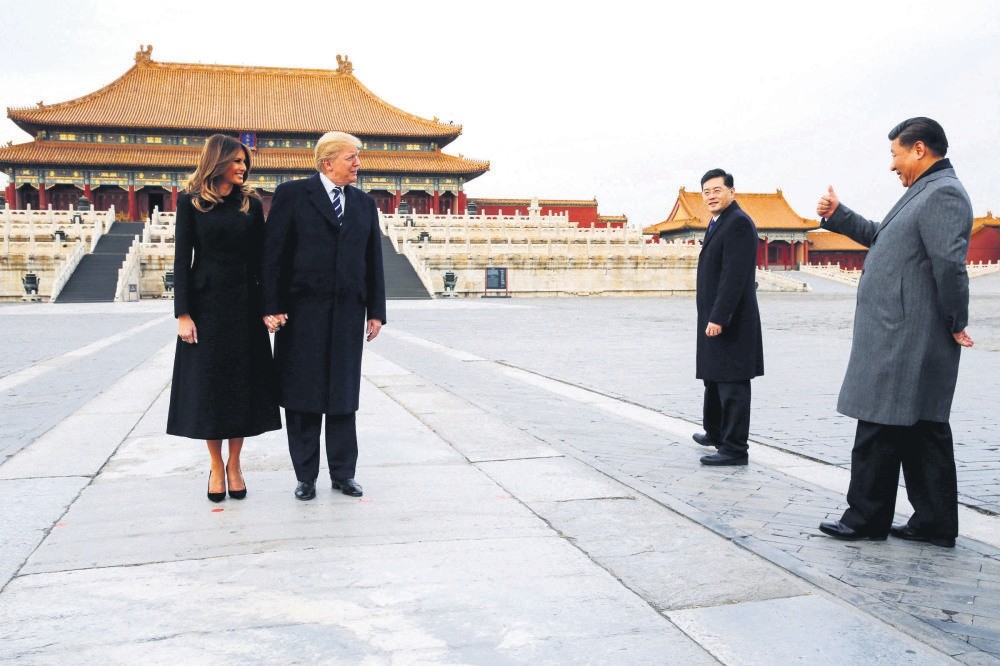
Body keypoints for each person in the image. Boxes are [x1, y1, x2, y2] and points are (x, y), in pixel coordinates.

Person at [816, 117, 973, 548]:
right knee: (924, 429)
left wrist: (956, 321)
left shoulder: (942, 194)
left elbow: (950, 266)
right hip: (906, 332)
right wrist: (840, 216)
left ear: (918, 149)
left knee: (879, 426)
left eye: (895, 154)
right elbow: (883, 241)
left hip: (906, 335)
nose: (892, 165)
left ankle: (866, 519)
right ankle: (934, 523)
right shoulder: (924, 193)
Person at [261, 131, 386, 501]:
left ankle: (344, 474)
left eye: (358, 158)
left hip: (348, 313)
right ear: (327, 162)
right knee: (303, 397)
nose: (358, 165)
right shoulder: (292, 195)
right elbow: (273, 255)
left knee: (344, 396)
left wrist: (375, 311)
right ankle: (305, 476)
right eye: (352, 158)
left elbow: (372, 260)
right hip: (301, 315)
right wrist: (272, 304)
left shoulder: (364, 204)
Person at [167, 134, 282, 502]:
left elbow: (264, 258)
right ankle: (216, 465)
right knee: (210, 389)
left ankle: (236, 464)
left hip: (246, 307)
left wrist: (269, 306)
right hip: (206, 307)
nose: (242, 167)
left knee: (241, 388)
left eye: (245, 162)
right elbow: (182, 259)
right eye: (236, 161)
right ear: (217, 161)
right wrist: (183, 313)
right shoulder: (191, 203)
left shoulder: (249, 202)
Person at [691, 168, 764, 466]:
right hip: (714, 315)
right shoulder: (719, 221)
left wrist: (719, 316)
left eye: (717, 190)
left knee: (732, 382)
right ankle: (715, 432)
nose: (711, 196)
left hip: (731, 320)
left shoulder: (738, 223)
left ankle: (735, 448)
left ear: (731, 192)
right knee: (714, 378)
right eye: (706, 191)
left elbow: (734, 276)